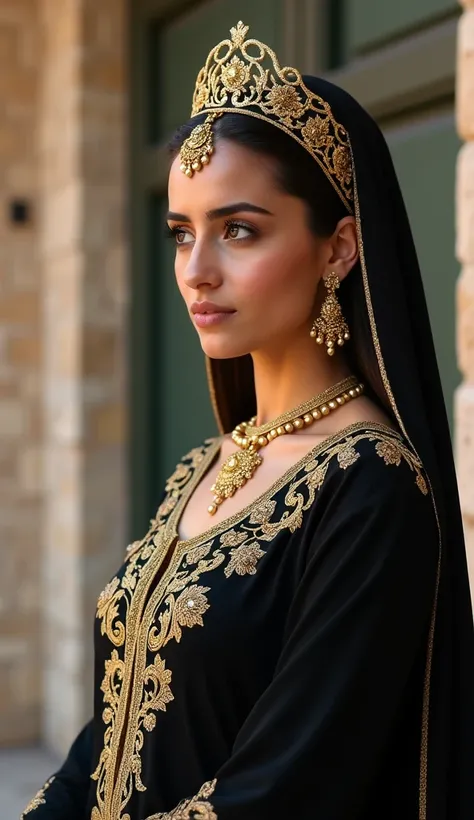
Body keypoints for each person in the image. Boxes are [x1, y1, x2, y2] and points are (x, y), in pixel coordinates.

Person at [21, 20, 474, 820]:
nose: (196, 271)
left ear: (337, 250)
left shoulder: (373, 492)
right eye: (180, 234)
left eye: (238, 230)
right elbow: (114, 733)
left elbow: (286, 790)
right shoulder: (207, 462)